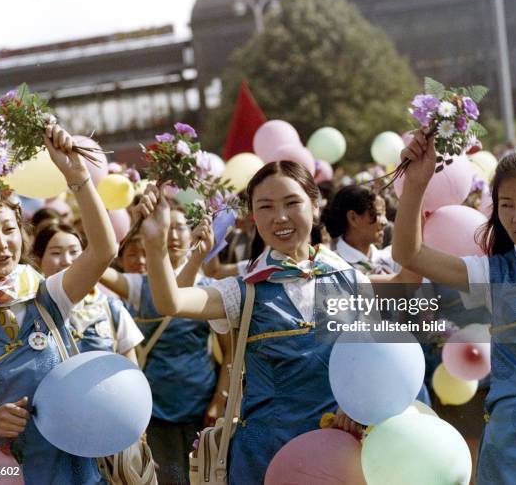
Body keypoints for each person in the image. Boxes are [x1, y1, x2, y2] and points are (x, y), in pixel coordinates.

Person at [133, 161, 366, 484]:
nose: (280, 217)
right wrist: (155, 245)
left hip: (342, 454)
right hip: (264, 458)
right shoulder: (244, 292)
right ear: (253, 217)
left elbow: (375, 360)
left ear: (314, 204)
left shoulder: (350, 279)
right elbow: (171, 301)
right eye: (265, 207)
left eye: (292, 203)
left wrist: (359, 405)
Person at [392, 133, 516, 484]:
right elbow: (409, 254)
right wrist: (416, 183)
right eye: (506, 205)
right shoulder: (491, 273)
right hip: (512, 455)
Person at [0, 125, 118, 484]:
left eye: (9, 230)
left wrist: (77, 178)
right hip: (3, 475)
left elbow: (104, 251)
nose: (2, 244)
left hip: (77, 472)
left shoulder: (48, 294)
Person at [100, 202, 228, 485]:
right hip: (151, 406)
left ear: (194, 232)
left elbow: (229, 351)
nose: (172, 235)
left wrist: (220, 399)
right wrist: (134, 223)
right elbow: (98, 262)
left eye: (179, 227)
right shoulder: (138, 285)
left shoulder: (213, 288)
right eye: (165, 227)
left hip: (199, 403)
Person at [32, 223, 143, 362]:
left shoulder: (111, 308)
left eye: (74, 252)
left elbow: (130, 370)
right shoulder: (31, 309)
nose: (67, 261)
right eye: (56, 253)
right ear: (39, 259)